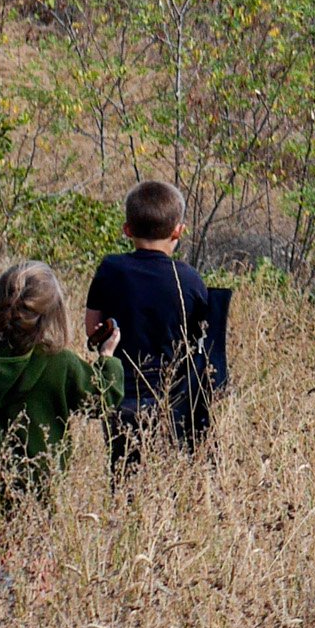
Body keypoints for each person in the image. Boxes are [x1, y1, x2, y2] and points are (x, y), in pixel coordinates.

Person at [0, 260, 124, 508]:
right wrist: (107, 360)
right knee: (38, 542)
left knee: (2, 541)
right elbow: (103, 400)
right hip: (46, 477)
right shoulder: (61, 362)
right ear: (53, 312)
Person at [83, 179, 227, 461]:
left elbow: (93, 329)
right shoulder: (189, 279)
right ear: (178, 231)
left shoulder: (111, 269)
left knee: (122, 473)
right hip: (170, 400)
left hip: (118, 394)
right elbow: (202, 342)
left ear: (127, 230)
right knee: (167, 476)